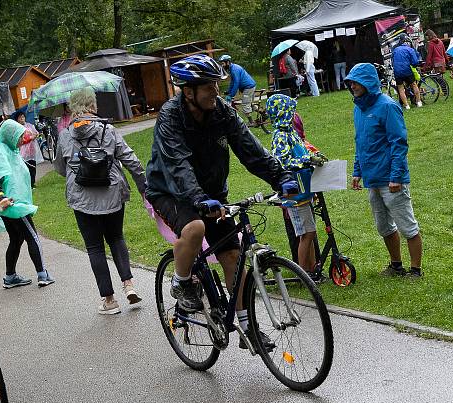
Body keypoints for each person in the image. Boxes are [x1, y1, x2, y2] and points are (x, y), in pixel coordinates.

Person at [145, 54, 296, 349]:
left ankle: (247, 326)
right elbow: (177, 164)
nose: (216, 92)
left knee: (231, 255)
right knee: (195, 228)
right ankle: (181, 281)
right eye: (209, 87)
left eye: (216, 85)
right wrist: (199, 198)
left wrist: (280, 177)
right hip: (170, 190)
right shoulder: (170, 116)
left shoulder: (221, 111)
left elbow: (249, 147)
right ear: (188, 92)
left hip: (211, 194)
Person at [54, 87, 146, 315]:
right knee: (116, 238)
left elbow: (60, 168)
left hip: (81, 197)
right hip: (112, 192)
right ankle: (129, 286)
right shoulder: (109, 130)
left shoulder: (65, 135)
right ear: (93, 106)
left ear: (73, 108)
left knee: (94, 247)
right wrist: (144, 187)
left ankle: (109, 300)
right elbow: (131, 159)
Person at [345, 63, 423, 279]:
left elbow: (399, 143)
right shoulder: (358, 108)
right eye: (349, 82)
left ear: (367, 82)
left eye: (355, 81)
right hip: (372, 180)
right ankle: (396, 265)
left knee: (407, 225)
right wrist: (357, 171)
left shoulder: (387, 106)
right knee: (384, 227)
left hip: (391, 179)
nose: (352, 86)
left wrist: (396, 176)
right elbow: (360, 142)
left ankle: (416, 270)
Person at [0, 118, 54, 290]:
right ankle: (43, 274)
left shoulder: (11, 152)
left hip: (12, 204)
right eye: (18, 137)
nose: (21, 141)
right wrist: (1, 197)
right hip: (13, 206)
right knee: (32, 236)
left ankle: (10, 277)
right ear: (9, 136)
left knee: (16, 240)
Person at [266, 94, 326, 278]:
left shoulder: (291, 133)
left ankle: (313, 269)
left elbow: (303, 148)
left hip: (304, 190)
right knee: (305, 234)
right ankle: (304, 273)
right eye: (290, 111)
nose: (293, 115)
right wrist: (307, 159)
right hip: (293, 195)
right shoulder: (280, 136)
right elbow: (282, 161)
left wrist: (315, 155)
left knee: (310, 232)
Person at [13, 111, 44, 187]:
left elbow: (36, 132)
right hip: (23, 152)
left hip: (32, 150)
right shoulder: (17, 128)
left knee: (33, 167)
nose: (22, 119)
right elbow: (19, 140)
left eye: (23, 117)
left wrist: (36, 134)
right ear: (17, 119)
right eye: (20, 117)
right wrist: (30, 138)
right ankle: (26, 184)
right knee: (25, 168)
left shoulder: (30, 125)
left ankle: (32, 183)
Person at [392, 38, 422, 109]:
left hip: (397, 71)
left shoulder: (395, 49)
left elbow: (392, 60)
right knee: (414, 85)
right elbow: (415, 62)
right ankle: (418, 102)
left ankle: (406, 105)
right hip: (407, 70)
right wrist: (414, 65)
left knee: (401, 88)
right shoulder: (410, 49)